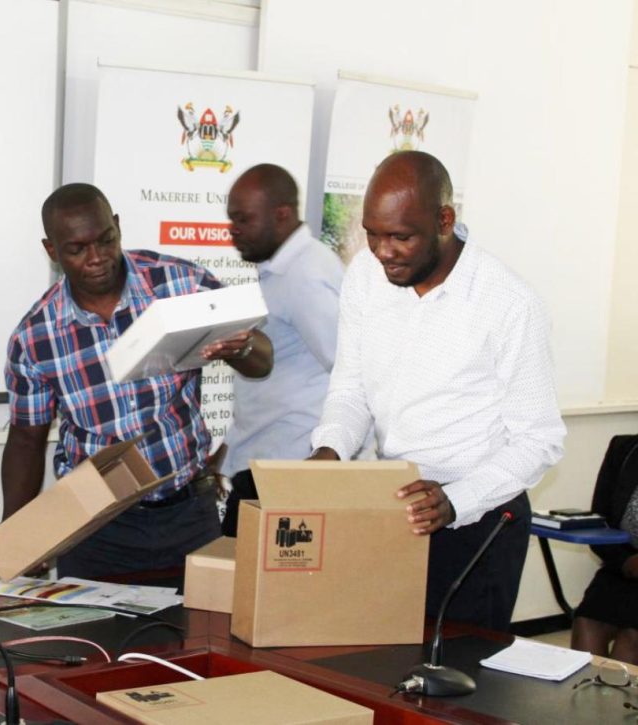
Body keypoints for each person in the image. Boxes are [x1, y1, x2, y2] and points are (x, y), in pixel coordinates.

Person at [308, 151, 565, 631]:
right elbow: (351, 387)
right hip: (394, 508)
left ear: (445, 220)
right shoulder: (366, 276)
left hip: (479, 519)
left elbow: (539, 439)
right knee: (380, 666)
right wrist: (330, 451)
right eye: (372, 233)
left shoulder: (509, 303)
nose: (383, 251)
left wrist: (456, 501)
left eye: (400, 237)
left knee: (459, 684)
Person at [2, 183, 272, 578]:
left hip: (189, 516)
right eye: (77, 249)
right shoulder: (35, 337)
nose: (97, 258)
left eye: (105, 240)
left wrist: (241, 348)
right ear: (52, 251)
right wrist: (18, 532)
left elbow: (262, 361)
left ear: (117, 226)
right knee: (92, 639)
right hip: (95, 528)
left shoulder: (181, 284)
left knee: (201, 638)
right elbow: (27, 439)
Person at [219, 164, 343, 536]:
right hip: (265, 464)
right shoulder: (284, 269)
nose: (233, 231)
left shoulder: (303, 277)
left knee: (249, 591)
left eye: (243, 219)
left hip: (288, 474)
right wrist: (227, 448)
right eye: (231, 219)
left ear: (282, 215)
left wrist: (333, 459)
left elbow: (349, 371)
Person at [571, 435, 638, 664]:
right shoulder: (624, 449)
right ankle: (586, 697)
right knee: (587, 623)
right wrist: (625, 562)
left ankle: (618, 700)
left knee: (631, 639)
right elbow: (599, 524)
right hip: (624, 566)